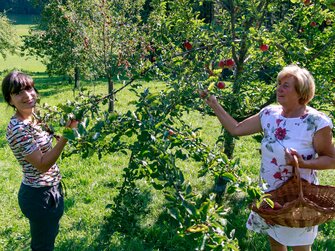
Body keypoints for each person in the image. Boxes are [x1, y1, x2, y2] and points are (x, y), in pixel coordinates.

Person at [199, 64, 335, 251]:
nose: (279, 88)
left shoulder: (316, 122)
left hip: (298, 198)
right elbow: (236, 129)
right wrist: (213, 103)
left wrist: (303, 163)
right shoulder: (269, 114)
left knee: (300, 247)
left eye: (286, 85)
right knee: (275, 242)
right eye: (279, 83)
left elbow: (331, 159)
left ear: (301, 91)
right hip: (270, 193)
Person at [2, 71, 78, 251]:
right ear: (10, 100)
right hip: (39, 195)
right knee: (42, 246)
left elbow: (49, 138)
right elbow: (43, 164)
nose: (27, 95)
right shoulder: (18, 129)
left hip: (51, 188)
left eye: (29, 88)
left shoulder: (34, 116)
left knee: (48, 237)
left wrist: (69, 129)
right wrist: (67, 136)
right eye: (18, 92)